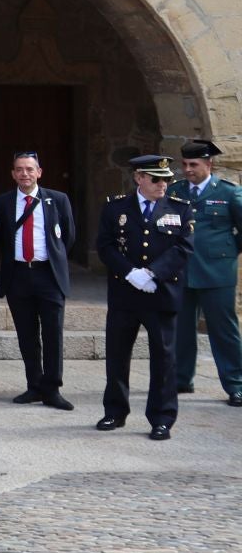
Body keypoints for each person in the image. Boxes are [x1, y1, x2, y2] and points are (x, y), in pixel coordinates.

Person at [97, 154, 195, 441]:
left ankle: (162, 417)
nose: (162, 185)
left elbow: (184, 248)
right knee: (117, 355)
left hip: (161, 293)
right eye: (156, 179)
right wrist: (130, 273)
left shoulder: (180, 208)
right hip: (125, 293)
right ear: (139, 178)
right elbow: (105, 245)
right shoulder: (115, 208)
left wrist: (152, 273)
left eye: (166, 179)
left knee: (164, 359)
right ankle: (115, 411)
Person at [0, 151, 76, 412]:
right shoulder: (3, 202)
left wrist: (52, 260)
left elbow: (68, 237)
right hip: (18, 275)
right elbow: (1, 239)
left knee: (53, 333)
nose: (24, 174)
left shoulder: (57, 200)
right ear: (13, 174)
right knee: (27, 335)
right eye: (19, 169)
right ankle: (34, 385)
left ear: (39, 172)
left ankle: (52, 389)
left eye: (30, 169)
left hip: (48, 275)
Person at [170, 139, 242, 406]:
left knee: (224, 330)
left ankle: (236, 384)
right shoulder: (175, 192)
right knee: (181, 328)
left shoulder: (228, 192)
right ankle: (180, 378)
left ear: (208, 164)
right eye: (185, 164)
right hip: (182, 271)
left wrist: (226, 252)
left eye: (194, 164)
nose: (188, 169)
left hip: (217, 272)